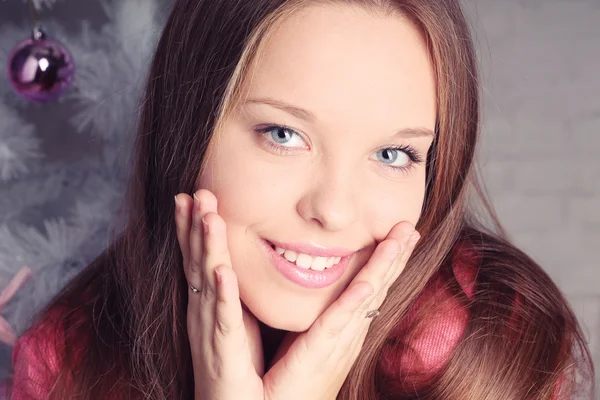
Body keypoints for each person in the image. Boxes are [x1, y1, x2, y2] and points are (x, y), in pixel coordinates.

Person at [8, 0, 595, 399]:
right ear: (187, 130)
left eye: (394, 154)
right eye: (284, 135)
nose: (334, 210)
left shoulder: (493, 355)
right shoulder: (72, 362)